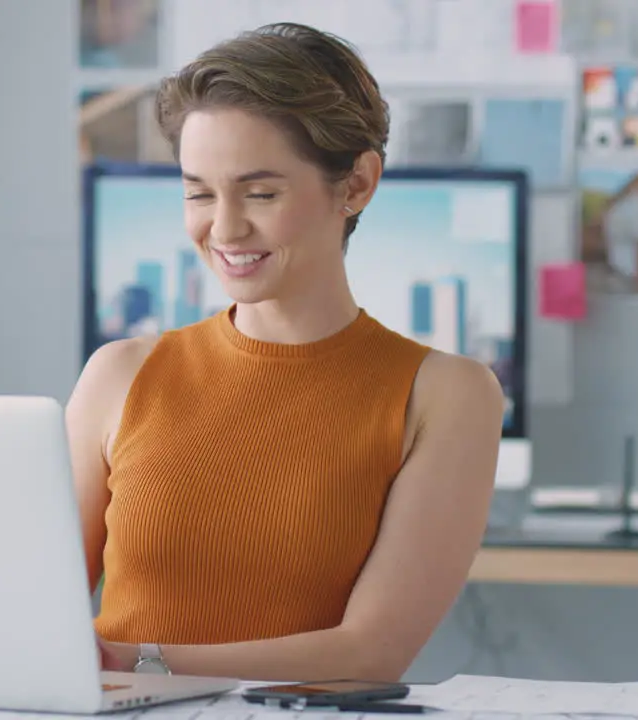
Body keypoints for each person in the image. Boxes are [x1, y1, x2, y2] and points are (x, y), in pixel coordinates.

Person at [67, 23, 504, 683]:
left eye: (260, 193)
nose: (224, 226)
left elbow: (370, 653)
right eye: (198, 192)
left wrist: (141, 664)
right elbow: (33, 607)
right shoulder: (118, 376)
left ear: (356, 184)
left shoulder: (445, 395)